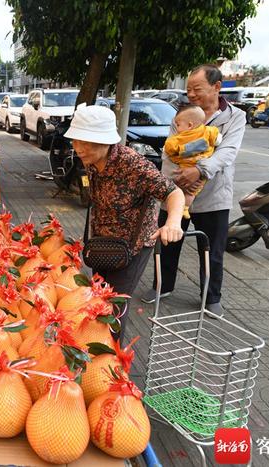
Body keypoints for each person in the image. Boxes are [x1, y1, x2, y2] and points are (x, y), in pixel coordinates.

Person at [64, 104, 185, 338]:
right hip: (102, 244)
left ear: (106, 141)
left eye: (86, 142)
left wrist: (173, 222)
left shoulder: (133, 165)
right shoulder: (92, 161)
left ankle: (111, 367)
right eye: (76, 141)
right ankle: (93, 350)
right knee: (97, 300)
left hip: (132, 246)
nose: (79, 148)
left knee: (114, 308)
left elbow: (173, 192)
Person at [142, 64, 246, 317]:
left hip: (213, 196)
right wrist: (178, 180)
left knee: (212, 250)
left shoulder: (234, 117)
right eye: (188, 89)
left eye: (196, 89)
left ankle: (211, 297)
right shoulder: (182, 114)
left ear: (217, 87)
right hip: (177, 190)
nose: (191, 94)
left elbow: (227, 152)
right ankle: (162, 286)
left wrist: (198, 171)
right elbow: (169, 150)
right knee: (167, 241)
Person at [163, 105, 221, 219]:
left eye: (178, 125)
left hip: (186, 167)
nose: (177, 127)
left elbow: (169, 148)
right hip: (202, 165)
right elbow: (217, 139)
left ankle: (182, 208)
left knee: (185, 190)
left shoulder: (179, 137)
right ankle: (185, 208)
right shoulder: (207, 131)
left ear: (189, 125)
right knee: (192, 192)